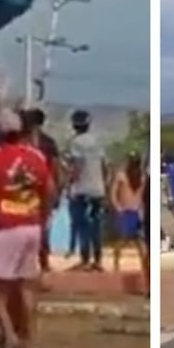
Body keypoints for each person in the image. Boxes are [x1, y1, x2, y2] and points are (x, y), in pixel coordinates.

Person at [0, 108, 52, 348]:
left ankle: (9, 334)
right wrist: (43, 216)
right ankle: (31, 339)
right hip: (33, 225)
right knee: (26, 285)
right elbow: (49, 189)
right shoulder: (37, 157)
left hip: (7, 224)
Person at [65, 110, 107, 271]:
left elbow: (77, 166)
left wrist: (70, 184)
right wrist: (104, 184)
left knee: (82, 225)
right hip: (98, 188)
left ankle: (85, 259)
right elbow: (103, 165)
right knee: (96, 224)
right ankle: (97, 260)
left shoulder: (76, 142)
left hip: (82, 189)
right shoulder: (97, 141)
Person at [21, 109, 61, 273]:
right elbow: (56, 168)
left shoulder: (22, 142)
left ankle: (29, 260)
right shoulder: (49, 142)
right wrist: (57, 188)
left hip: (27, 188)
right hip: (45, 187)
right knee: (43, 225)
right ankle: (43, 260)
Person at [110, 152, 149, 295]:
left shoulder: (142, 178)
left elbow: (143, 196)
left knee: (140, 244)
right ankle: (116, 266)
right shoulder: (121, 176)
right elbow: (113, 192)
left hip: (136, 212)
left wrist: (142, 211)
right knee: (122, 240)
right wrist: (117, 207)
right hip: (126, 211)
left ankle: (142, 268)